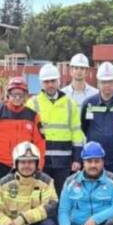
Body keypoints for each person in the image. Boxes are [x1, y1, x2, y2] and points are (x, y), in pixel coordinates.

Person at [81, 62, 113, 198]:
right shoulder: (89, 104)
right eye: (104, 82)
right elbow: (84, 127)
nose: (107, 85)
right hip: (94, 159)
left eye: (110, 82)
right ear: (98, 83)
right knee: (94, 193)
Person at [30, 63, 84, 193]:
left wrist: (77, 158)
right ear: (41, 83)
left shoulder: (70, 104)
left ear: (58, 81)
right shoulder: (32, 103)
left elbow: (77, 133)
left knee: (63, 196)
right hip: (41, 161)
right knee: (41, 197)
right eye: (46, 81)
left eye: (53, 81)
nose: (50, 85)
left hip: (64, 161)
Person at [0, 76, 46, 181]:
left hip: (25, 164)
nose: (17, 98)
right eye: (14, 94)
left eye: (20, 95)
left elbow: (40, 143)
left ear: (25, 96)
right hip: (0, 165)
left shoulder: (33, 116)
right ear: (8, 95)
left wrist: (38, 166)